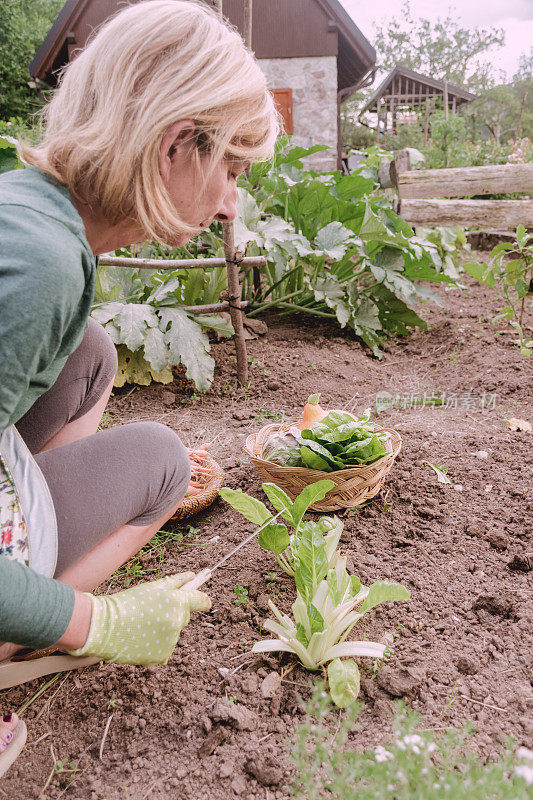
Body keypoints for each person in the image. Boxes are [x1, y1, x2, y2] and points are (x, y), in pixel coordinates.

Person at [0, 0, 278, 776]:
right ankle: (21, 624)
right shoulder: (38, 269)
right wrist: (96, 621)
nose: (230, 202)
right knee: (158, 457)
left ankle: (25, 573)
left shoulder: (28, 216)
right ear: (173, 146)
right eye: (231, 169)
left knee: (88, 352)